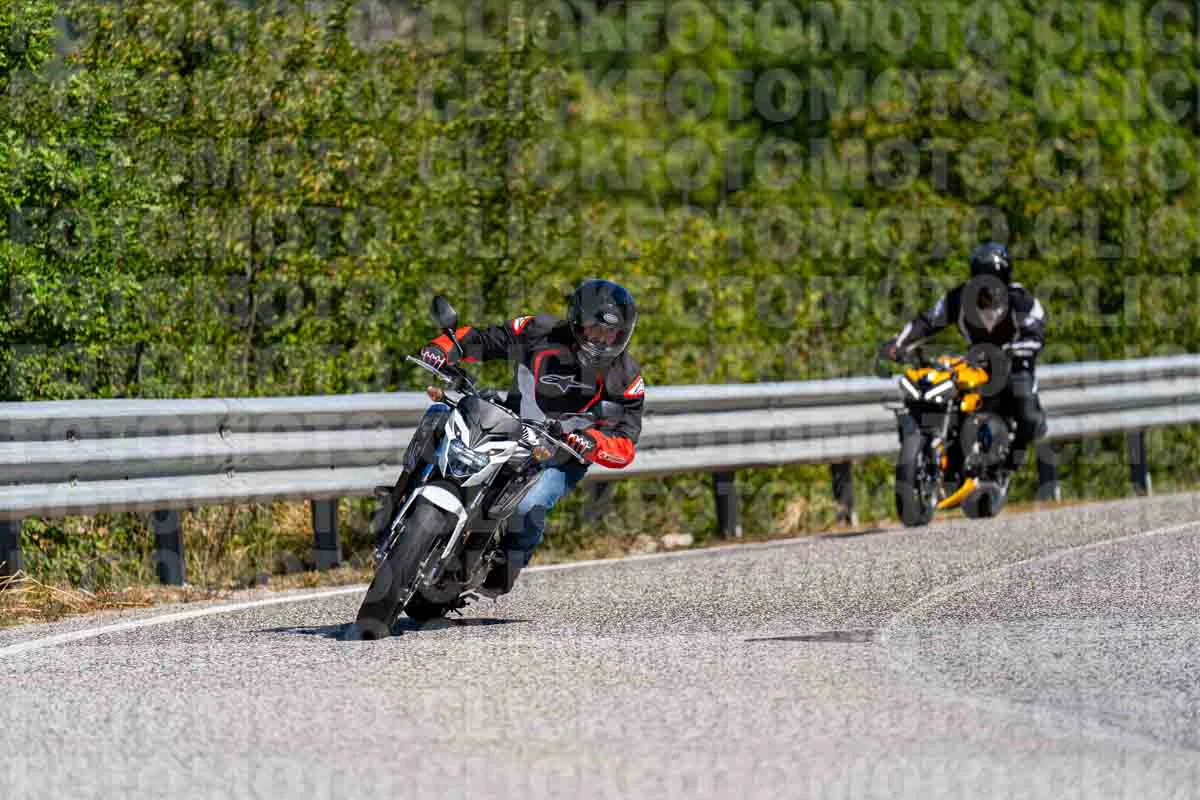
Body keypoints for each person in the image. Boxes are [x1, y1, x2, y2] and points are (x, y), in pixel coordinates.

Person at [416, 278, 645, 593]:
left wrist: (591, 442)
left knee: (529, 506)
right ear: (578, 321)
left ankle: (506, 565)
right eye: (596, 328)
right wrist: (443, 349)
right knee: (442, 420)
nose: (603, 339)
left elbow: (626, 441)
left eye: (612, 332)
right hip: (510, 427)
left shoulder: (627, 375)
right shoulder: (540, 331)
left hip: (562, 452)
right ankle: (407, 499)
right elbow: (486, 339)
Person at [880, 242, 1048, 472]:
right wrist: (898, 345)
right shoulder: (959, 298)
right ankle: (945, 453)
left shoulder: (1020, 300)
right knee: (943, 393)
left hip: (1014, 363)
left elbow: (1036, 331)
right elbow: (927, 321)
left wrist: (1018, 349)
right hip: (976, 364)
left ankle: (1012, 458)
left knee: (1029, 416)